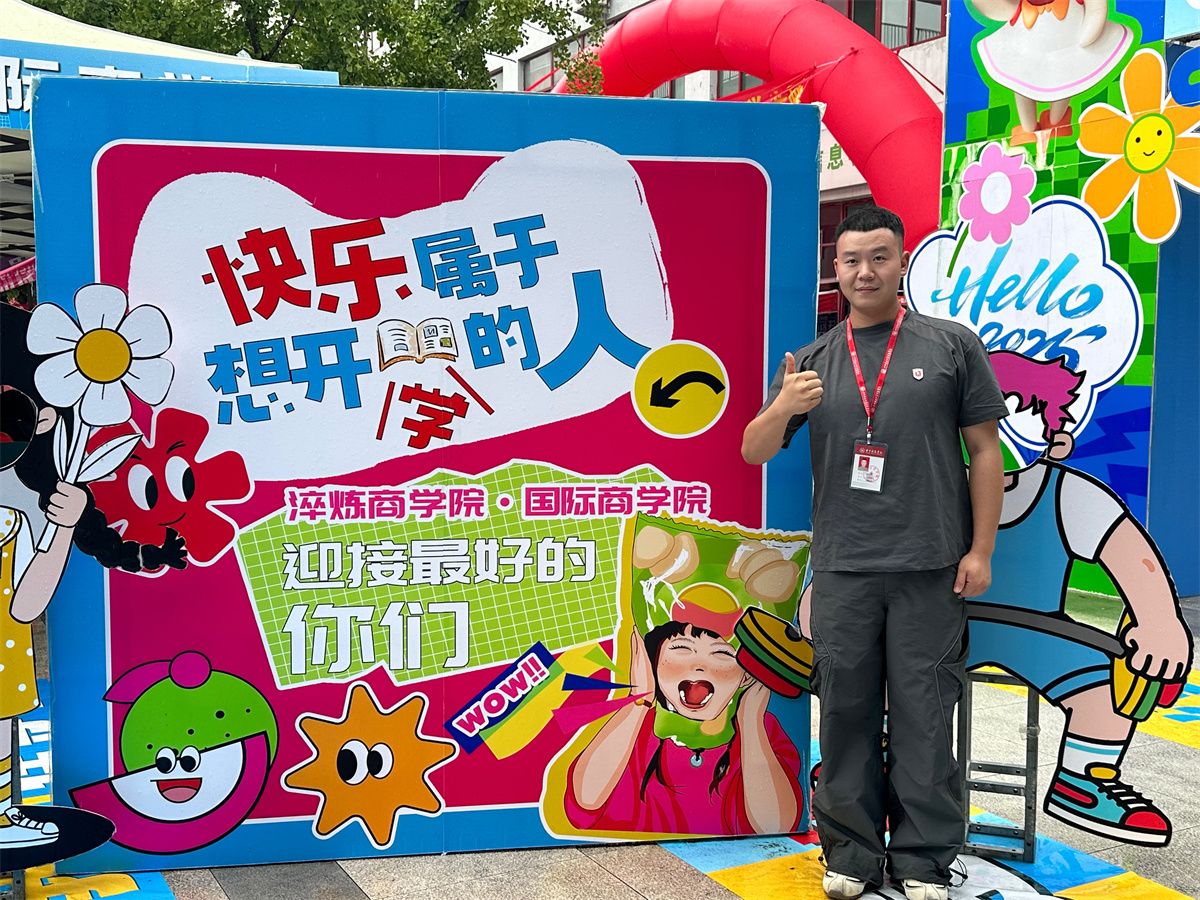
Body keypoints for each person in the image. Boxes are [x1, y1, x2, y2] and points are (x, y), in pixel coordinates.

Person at [741, 207, 1008, 900]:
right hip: (844, 570)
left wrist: (981, 549)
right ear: (836, 269)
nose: (865, 271)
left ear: (901, 262)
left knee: (926, 717)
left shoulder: (950, 346)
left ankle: (923, 860)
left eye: (879, 257)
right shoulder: (812, 361)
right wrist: (782, 406)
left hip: (930, 567)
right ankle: (851, 857)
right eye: (852, 259)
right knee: (845, 715)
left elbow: (985, 452)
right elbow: (754, 450)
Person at [972, 351, 1192, 846]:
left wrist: (1158, 621)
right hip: (942, 620)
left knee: (1113, 681)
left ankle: (1084, 778)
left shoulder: (1068, 493)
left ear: (1055, 437)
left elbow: (1131, 554)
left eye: (1013, 419)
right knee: (895, 665)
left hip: (1037, 627)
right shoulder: (933, 484)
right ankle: (887, 758)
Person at [564, 600, 804, 836]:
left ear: (746, 676)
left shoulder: (761, 731)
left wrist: (751, 720)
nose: (700, 666)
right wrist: (639, 699)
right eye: (682, 648)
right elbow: (584, 803)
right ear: (652, 662)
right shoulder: (635, 728)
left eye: (722, 653)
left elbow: (775, 825)